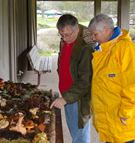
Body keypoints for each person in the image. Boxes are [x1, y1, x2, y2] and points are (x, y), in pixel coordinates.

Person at [88, 14, 135, 143]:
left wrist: (126, 112)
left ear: (106, 29)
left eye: (95, 34)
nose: (93, 38)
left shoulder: (125, 48)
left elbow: (134, 85)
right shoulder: (104, 48)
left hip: (121, 116)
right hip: (109, 115)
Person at [50, 14, 96, 143]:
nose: (64, 39)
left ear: (77, 29)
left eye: (67, 35)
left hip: (78, 97)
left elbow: (86, 81)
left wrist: (66, 98)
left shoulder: (86, 46)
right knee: (74, 132)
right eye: (61, 35)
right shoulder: (67, 39)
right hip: (67, 93)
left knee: (80, 136)